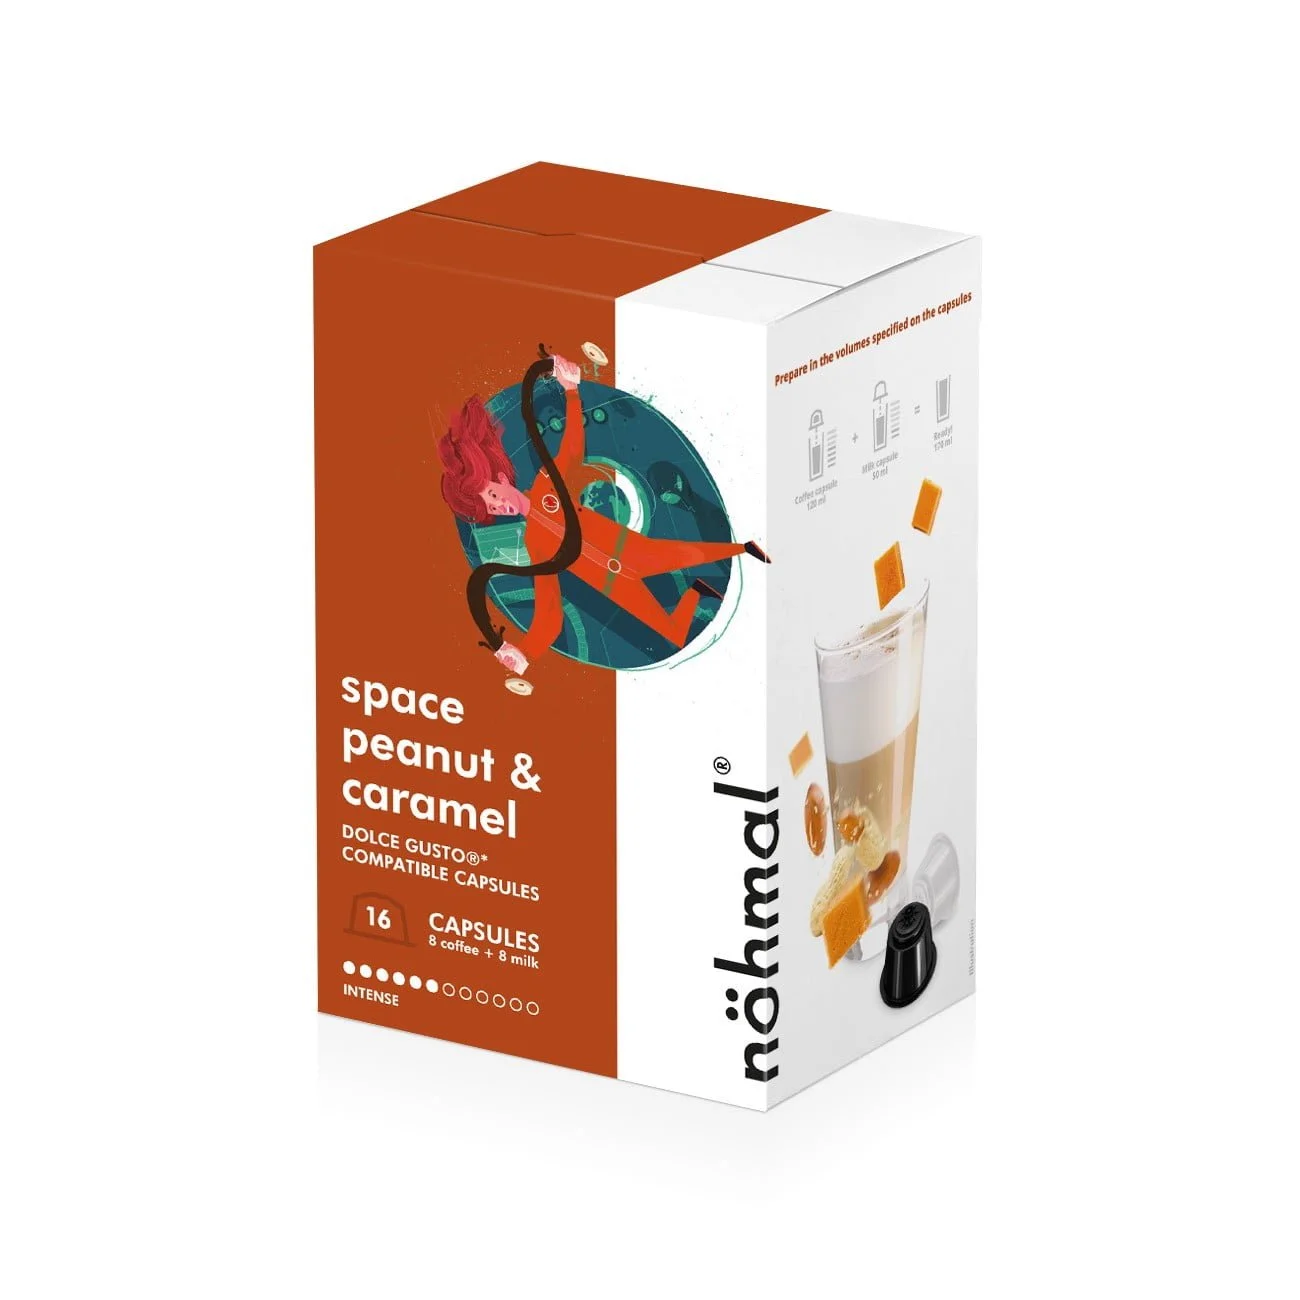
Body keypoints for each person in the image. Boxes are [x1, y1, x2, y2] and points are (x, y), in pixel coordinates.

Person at [437, 354, 770, 675]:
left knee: (696, 552)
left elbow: (572, 449)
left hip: (634, 550)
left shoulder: (547, 484)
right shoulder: (535, 543)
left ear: (501, 477)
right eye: (491, 507)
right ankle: (697, 589)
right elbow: (549, 611)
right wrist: (526, 653)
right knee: (673, 634)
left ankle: (745, 547)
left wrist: (571, 391)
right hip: (616, 584)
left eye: (494, 495)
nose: (499, 506)